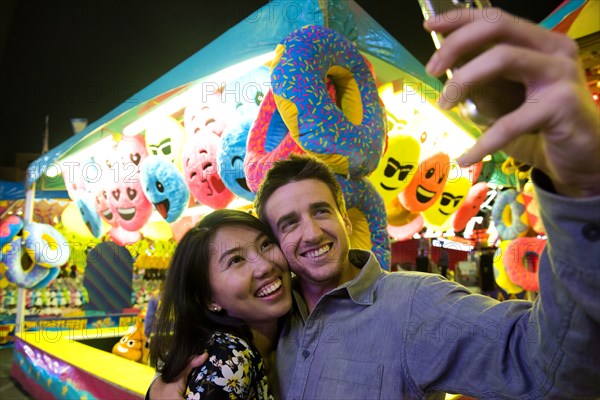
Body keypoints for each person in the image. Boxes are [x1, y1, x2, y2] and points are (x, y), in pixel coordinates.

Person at [151, 7, 599, 399]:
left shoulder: (414, 306)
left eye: (321, 210)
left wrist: (580, 187)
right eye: (287, 224)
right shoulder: (271, 329)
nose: (311, 232)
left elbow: (553, 370)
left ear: (347, 218)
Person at [149, 209, 292, 399]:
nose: (265, 266)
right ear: (209, 299)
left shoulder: (299, 312)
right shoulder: (230, 360)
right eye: (236, 260)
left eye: (265, 244)